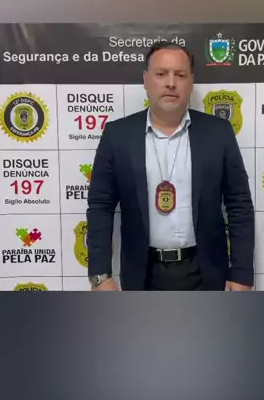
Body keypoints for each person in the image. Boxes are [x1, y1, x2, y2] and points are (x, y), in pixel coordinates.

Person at [87, 41, 254, 291]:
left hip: (206, 274)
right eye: (161, 74)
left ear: (191, 82)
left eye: (180, 75)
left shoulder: (219, 133)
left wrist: (241, 274)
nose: (171, 83)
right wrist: (100, 276)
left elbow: (239, 205)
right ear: (146, 80)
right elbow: (100, 206)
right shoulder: (117, 135)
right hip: (142, 276)